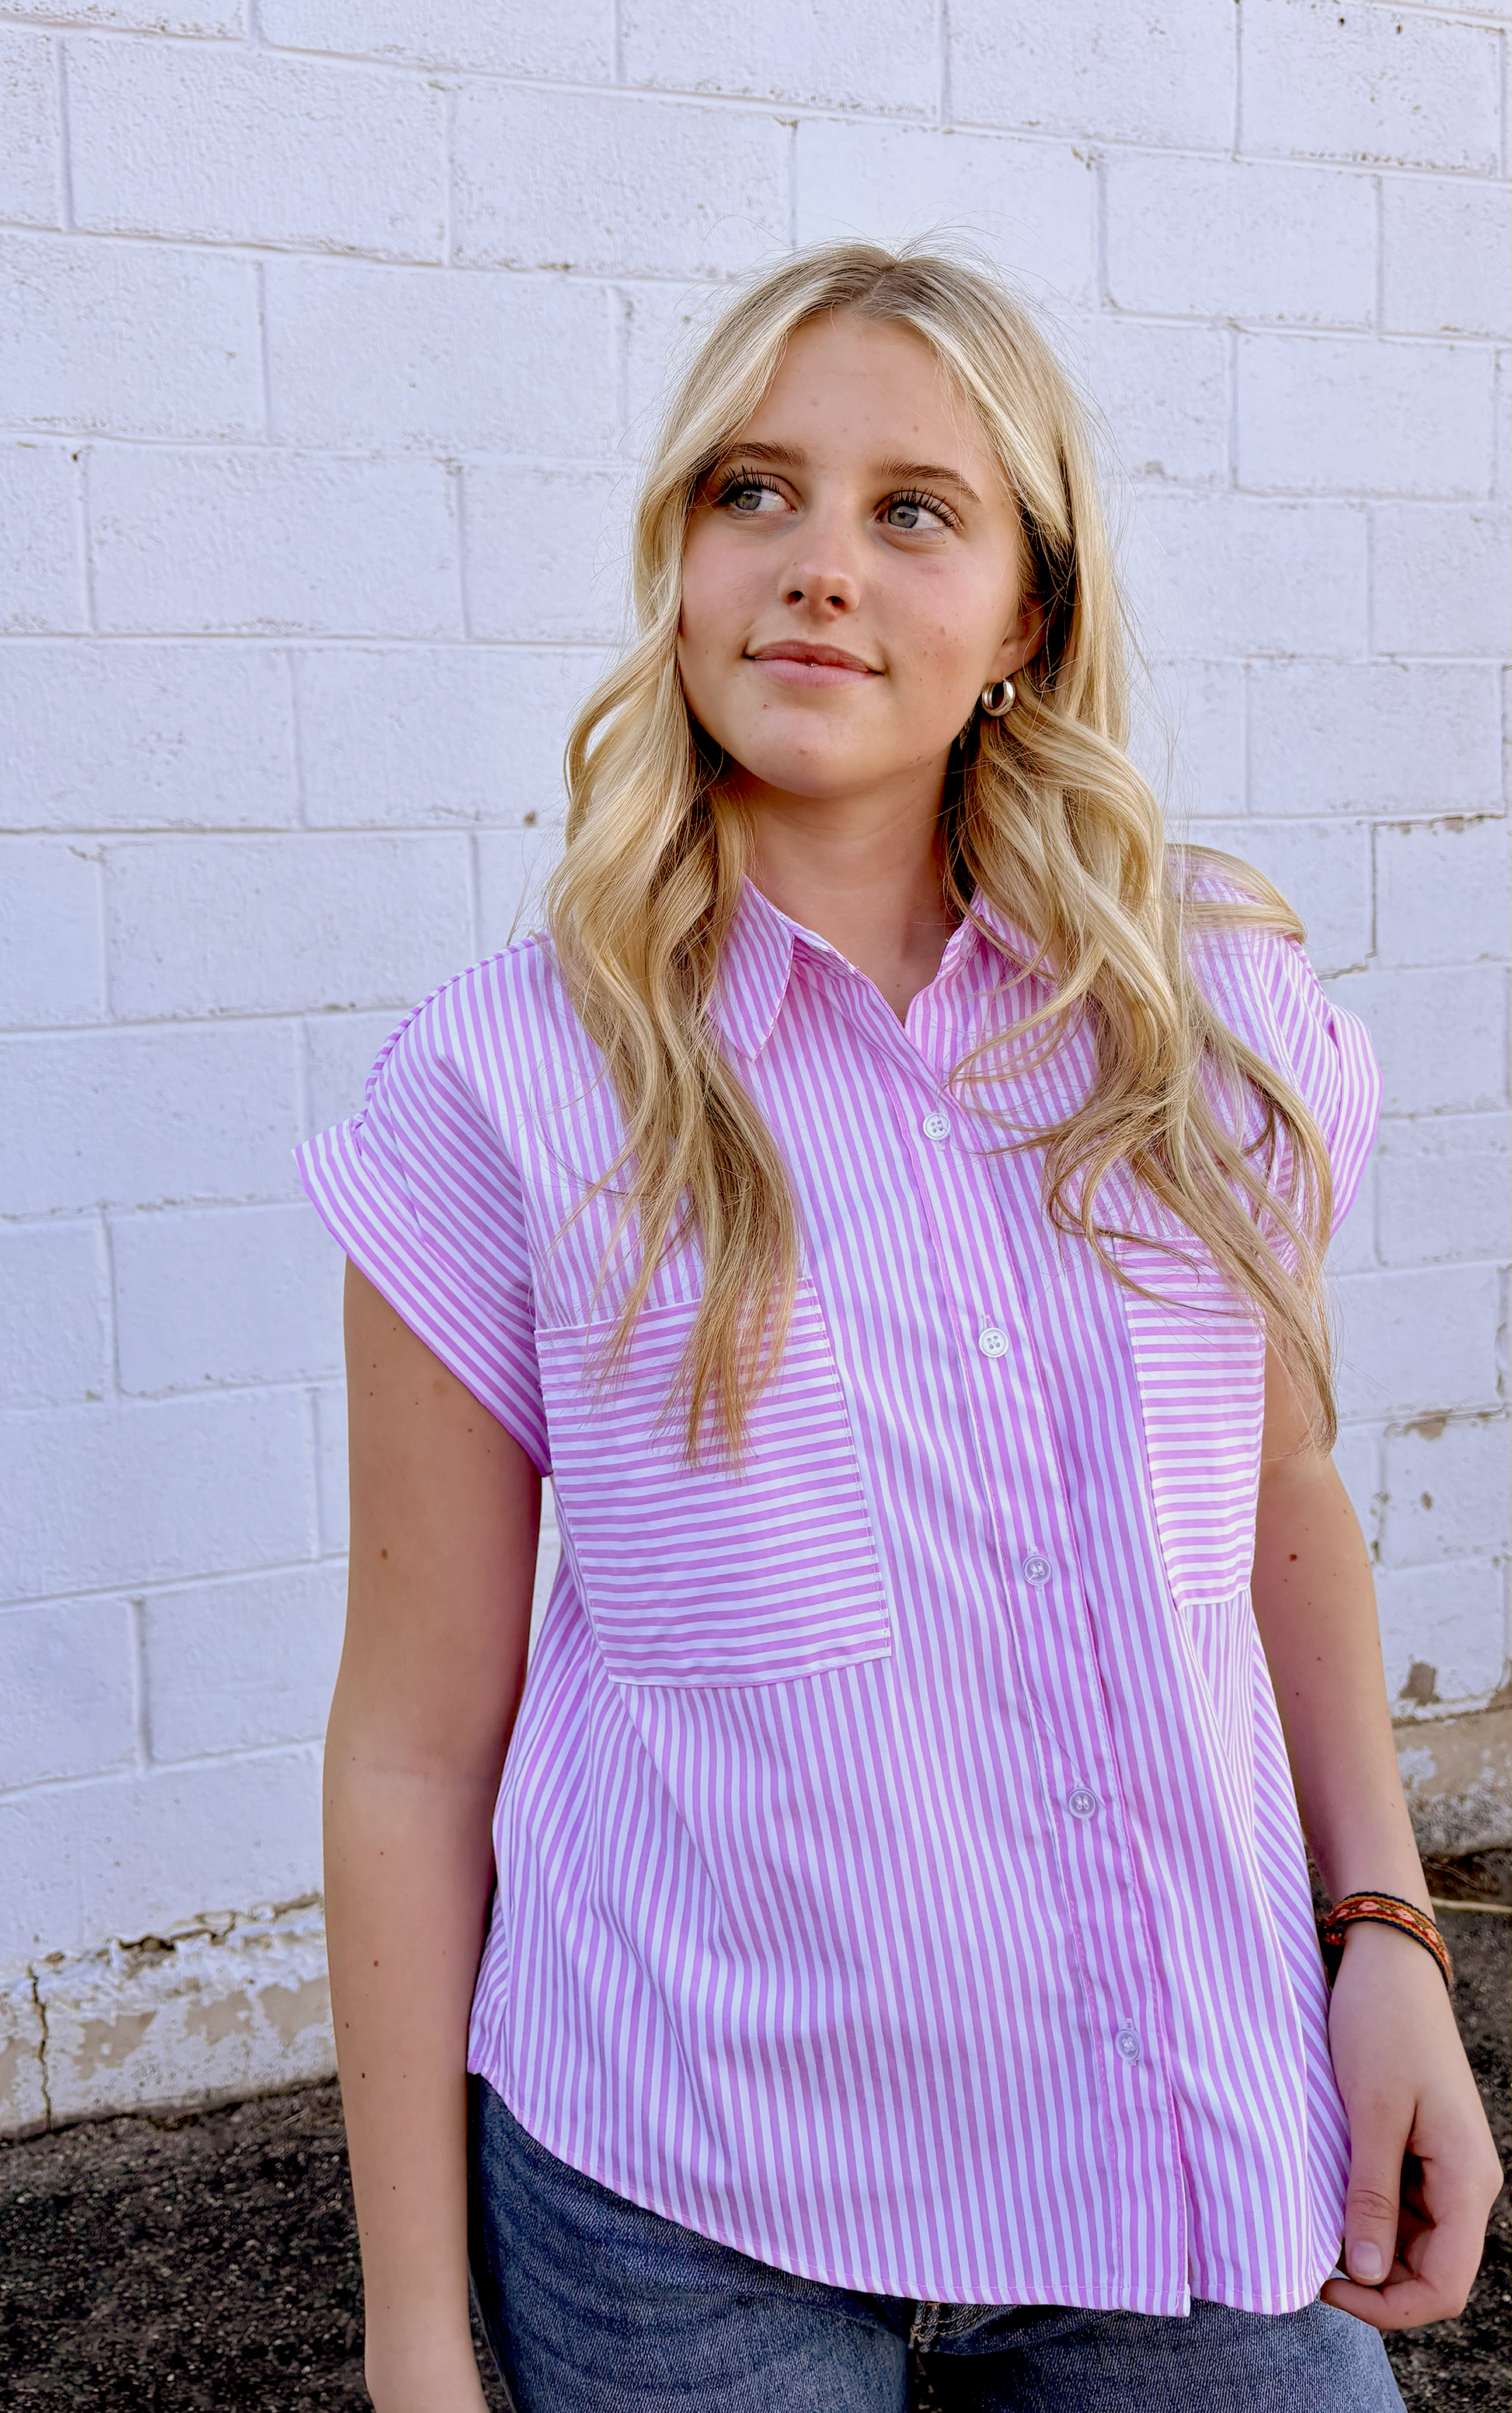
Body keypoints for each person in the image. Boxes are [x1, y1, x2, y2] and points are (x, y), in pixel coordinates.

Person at [297, 245, 1501, 2412]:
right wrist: (414, 2347)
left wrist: (1386, 1935)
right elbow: (408, 1747)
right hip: (690, 2201)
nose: (816, 568)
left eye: (912, 510)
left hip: (1181, 2137)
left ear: (1031, 610)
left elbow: (1280, 1505)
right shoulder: (504, 1085)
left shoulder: (1207, 1021)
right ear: (674, 564)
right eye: (752, 492)